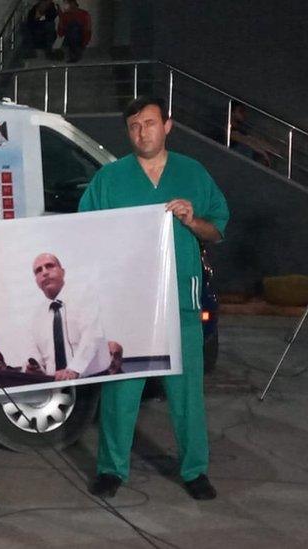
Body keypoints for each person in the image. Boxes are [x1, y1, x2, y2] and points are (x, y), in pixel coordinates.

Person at [79, 96, 229, 501]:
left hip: (181, 301)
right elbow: (85, 232)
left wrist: (191, 219)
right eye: (134, 126)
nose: (142, 131)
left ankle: (195, 470)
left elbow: (216, 230)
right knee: (120, 393)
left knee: (186, 394)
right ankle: (111, 469)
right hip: (128, 304)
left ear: (167, 125)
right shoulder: (111, 179)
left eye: (149, 122)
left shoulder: (192, 174)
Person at [25, 252, 116, 380]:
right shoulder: (37, 316)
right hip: (55, 385)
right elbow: (34, 350)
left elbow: (92, 335)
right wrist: (35, 366)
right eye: (38, 270)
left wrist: (74, 369)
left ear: (62, 272)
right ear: (36, 281)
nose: (44, 272)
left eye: (50, 266)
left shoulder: (84, 295)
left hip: (93, 382)